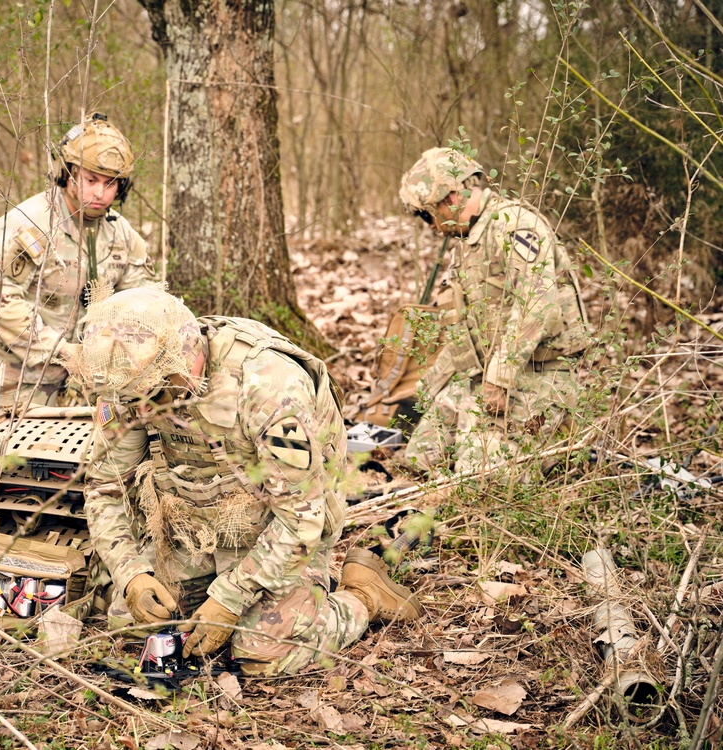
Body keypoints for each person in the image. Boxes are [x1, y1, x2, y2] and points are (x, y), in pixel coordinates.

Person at [59, 287, 423, 676]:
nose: (143, 411)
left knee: (263, 654)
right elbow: (105, 490)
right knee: (137, 625)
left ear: (185, 365)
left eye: (154, 396)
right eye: (134, 402)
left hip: (281, 531)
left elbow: (301, 518)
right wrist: (132, 574)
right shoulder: (128, 383)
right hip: (196, 528)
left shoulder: (268, 387)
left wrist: (229, 599)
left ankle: (361, 596)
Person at [0, 113, 159, 536]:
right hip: (13, 361)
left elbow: (144, 301)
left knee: (74, 459)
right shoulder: (26, 225)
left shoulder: (121, 235)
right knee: (7, 463)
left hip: (81, 367)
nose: (100, 193)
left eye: (111, 184)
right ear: (67, 173)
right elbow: (4, 306)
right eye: (91, 180)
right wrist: (65, 352)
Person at [397, 146, 590, 474]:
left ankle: (556, 447)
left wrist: (500, 379)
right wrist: (425, 393)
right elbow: (464, 331)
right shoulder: (467, 244)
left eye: (427, 215)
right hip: (485, 376)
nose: (429, 226)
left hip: (539, 374)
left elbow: (537, 304)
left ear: (451, 198)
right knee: (419, 457)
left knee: (480, 478)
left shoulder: (514, 226)